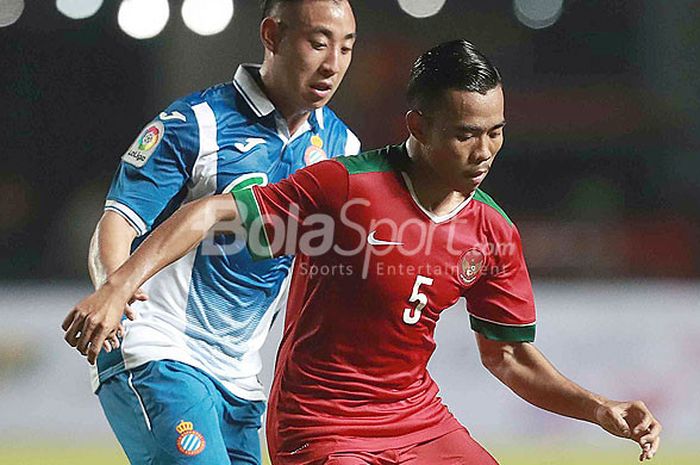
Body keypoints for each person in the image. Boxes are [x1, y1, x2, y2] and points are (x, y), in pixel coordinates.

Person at [64, 40, 662, 465]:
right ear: (418, 128)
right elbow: (210, 210)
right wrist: (117, 285)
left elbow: (510, 359)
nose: (484, 151)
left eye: (496, 131)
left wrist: (599, 410)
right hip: (323, 423)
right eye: (464, 134)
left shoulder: (492, 234)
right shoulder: (346, 185)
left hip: (416, 420)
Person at [61, 1, 358, 464]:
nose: (332, 63)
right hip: (160, 349)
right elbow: (118, 219)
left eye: (345, 48)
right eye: (318, 43)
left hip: (240, 379)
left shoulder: (344, 151)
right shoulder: (196, 122)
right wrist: (112, 291)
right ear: (272, 36)